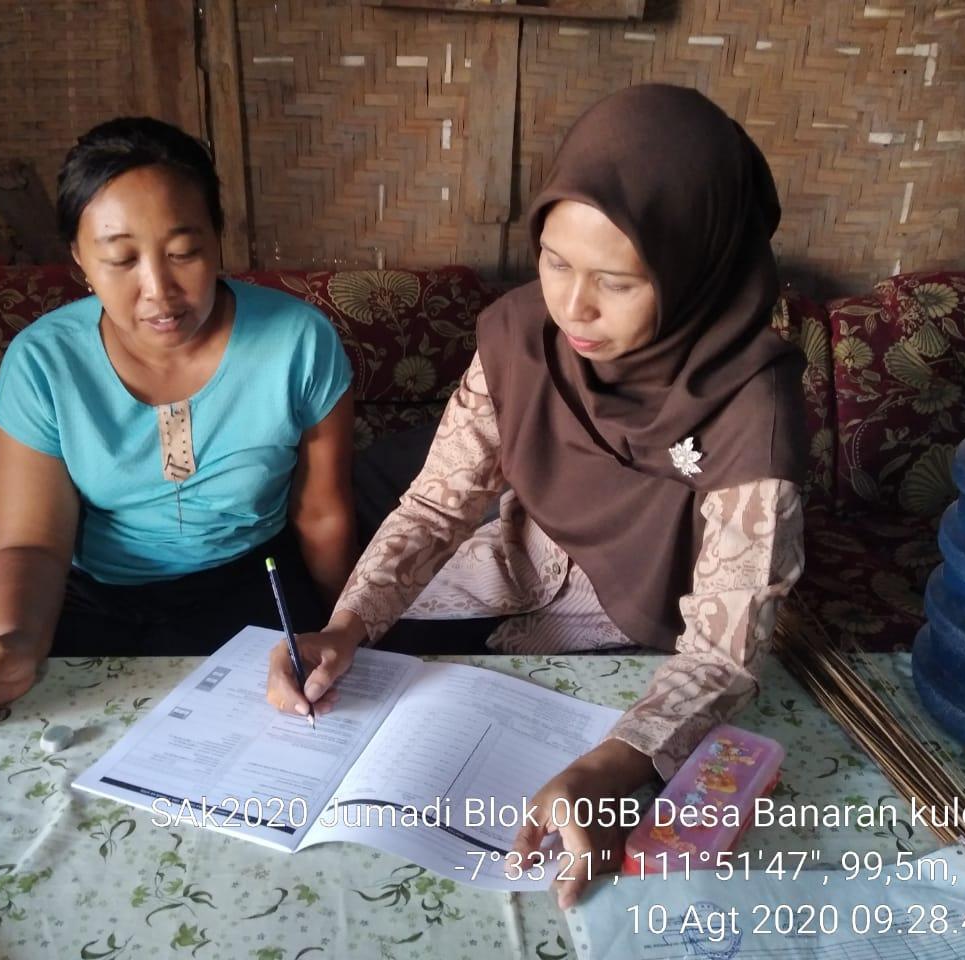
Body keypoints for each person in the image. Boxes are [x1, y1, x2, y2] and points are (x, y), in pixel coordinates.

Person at [265, 84, 807, 908]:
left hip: (651, 634)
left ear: (696, 268)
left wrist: (623, 760)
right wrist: (346, 624)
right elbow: (441, 503)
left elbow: (723, 651)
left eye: (617, 282)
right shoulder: (522, 335)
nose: (574, 308)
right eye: (556, 263)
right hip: (517, 565)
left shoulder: (753, 408)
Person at [0, 117, 356, 734]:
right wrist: (15, 642)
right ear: (79, 259)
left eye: (184, 253)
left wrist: (352, 627)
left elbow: (322, 514)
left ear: (217, 239)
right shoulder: (44, 363)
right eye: (121, 260)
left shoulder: (298, 341)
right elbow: (30, 542)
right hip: (101, 601)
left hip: (254, 586)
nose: (159, 291)